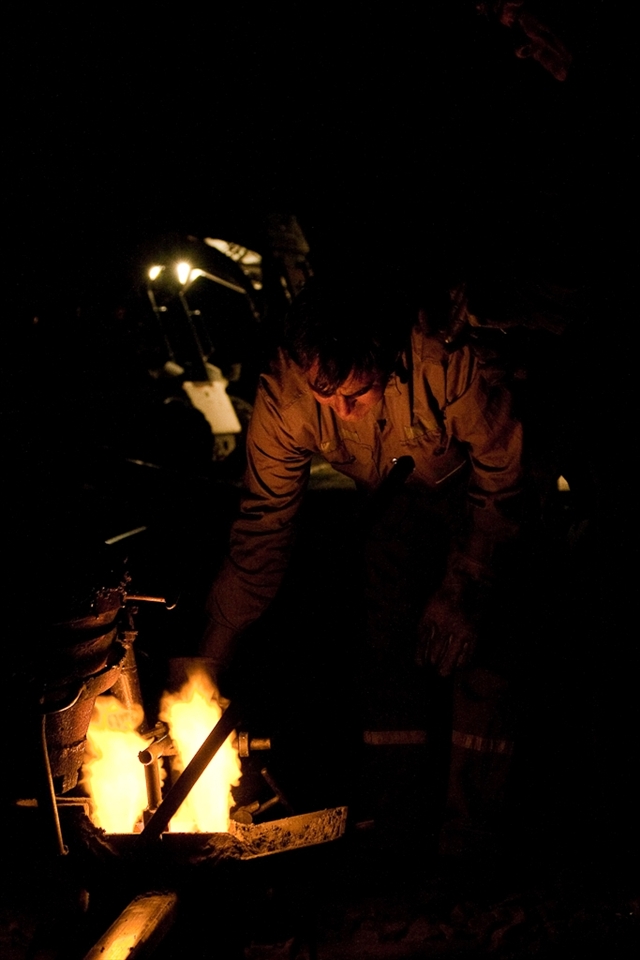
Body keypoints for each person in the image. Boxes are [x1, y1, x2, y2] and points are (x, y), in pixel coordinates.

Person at [202, 277, 526, 864]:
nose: (344, 413)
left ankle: (474, 844)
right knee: (390, 654)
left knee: (480, 653)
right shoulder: (286, 393)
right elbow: (262, 530)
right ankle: (395, 831)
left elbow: (507, 478)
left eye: (361, 392)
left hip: (478, 495)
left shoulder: (442, 357)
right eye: (330, 398)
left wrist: (465, 583)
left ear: (384, 354)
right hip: (390, 503)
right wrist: (208, 661)